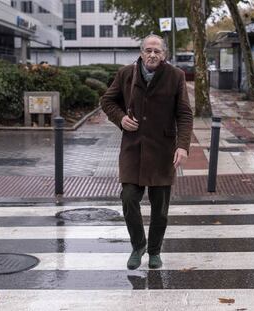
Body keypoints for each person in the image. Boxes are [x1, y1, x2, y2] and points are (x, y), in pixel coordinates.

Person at [101, 34, 193, 270]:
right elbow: (107, 101)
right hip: (133, 148)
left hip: (163, 150)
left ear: (164, 55)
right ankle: (138, 245)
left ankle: (154, 251)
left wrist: (182, 145)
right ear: (141, 52)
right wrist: (120, 119)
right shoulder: (126, 74)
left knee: (160, 209)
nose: (152, 55)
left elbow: (184, 114)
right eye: (148, 50)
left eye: (157, 51)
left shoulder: (176, 76)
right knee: (129, 198)